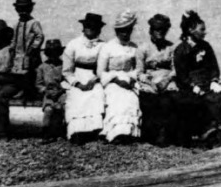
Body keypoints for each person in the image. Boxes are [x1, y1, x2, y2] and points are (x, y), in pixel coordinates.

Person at [173, 11, 221, 145]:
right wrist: (193, 86)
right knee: (208, 101)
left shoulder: (206, 46)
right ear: (190, 30)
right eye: (202, 30)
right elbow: (181, 75)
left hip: (208, 82)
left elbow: (214, 68)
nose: (205, 32)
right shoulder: (181, 50)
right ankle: (211, 133)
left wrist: (214, 80)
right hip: (192, 87)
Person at [98, 10, 143, 143]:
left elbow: (138, 69)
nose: (125, 33)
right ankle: (115, 132)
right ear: (117, 31)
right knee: (116, 99)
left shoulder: (135, 47)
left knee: (131, 98)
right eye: (122, 30)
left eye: (128, 30)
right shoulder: (108, 47)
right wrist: (116, 79)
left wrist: (130, 78)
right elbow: (101, 72)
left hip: (129, 79)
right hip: (112, 81)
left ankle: (128, 132)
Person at [62, 13, 106, 142]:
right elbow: (67, 71)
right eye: (87, 26)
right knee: (76, 96)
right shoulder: (73, 44)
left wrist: (94, 80)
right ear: (83, 27)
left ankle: (94, 130)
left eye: (94, 27)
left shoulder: (103, 46)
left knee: (97, 93)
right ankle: (77, 131)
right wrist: (77, 83)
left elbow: (103, 69)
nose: (90, 29)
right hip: (77, 77)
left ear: (99, 29)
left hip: (95, 77)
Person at [138, 14, 178, 146]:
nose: (160, 32)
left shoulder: (171, 47)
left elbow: (175, 69)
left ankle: (167, 134)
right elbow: (139, 71)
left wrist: (166, 80)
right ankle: (151, 135)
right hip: (149, 81)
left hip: (167, 79)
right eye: (157, 29)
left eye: (163, 29)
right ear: (151, 30)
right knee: (149, 100)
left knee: (170, 99)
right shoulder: (143, 48)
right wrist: (150, 83)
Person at [37, 39, 68, 144]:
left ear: (59, 53)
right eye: (50, 53)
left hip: (61, 92)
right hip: (48, 93)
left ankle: (65, 131)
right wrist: (45, 91)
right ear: (46, 54)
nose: (53, 56)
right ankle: (46, 133)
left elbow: (67, 81)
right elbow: (39, 84)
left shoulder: (64, 66)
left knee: (64, 106)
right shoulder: (42, 67)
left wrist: (61, 90)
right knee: (49, 109)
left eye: (55, 53)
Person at [11, 0, 44, 95]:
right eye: (20, 9)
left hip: (30, 52)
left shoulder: (33, 23)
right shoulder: (16, 24)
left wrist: (34, 47)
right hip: (18, 52)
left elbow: (40, 36)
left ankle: (31, 90)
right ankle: (21, 89)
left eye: (25, 9)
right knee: (18, 71)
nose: (22, 12)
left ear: (30, 9)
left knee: (30, 70)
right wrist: (12, 48)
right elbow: (14, 38)